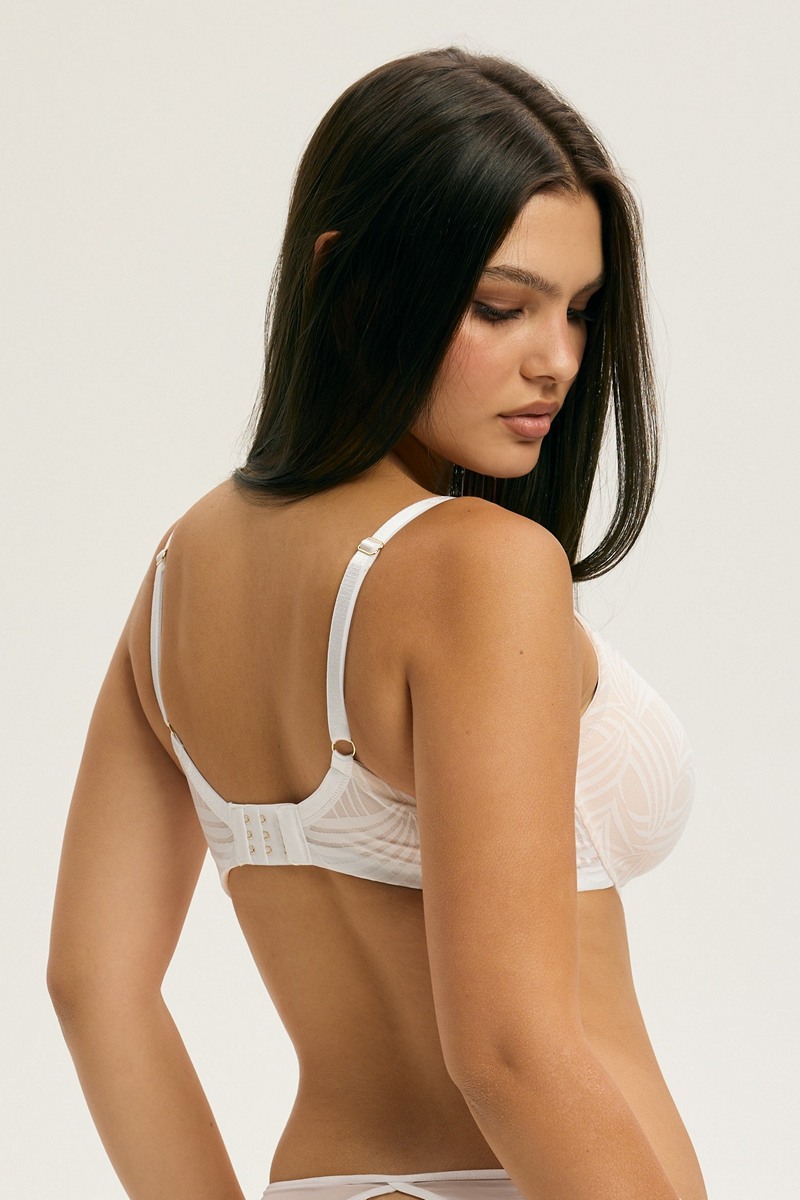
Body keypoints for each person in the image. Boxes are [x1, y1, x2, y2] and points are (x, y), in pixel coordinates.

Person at [47, 47, 706, 1200]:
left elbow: (93, 988)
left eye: (579, 311)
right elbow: (506, 1053)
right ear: (344, 281)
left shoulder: (178, 572)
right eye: (499, 307)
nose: (555, 361)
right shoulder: (481, 566)